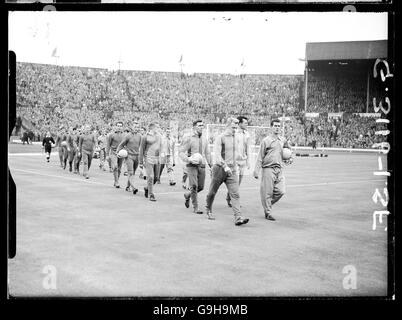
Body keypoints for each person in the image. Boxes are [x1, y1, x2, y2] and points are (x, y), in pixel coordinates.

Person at [205, 117, 249, 226]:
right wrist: (225, 166)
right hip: (220, 169)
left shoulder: (236, 138)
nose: (235, 128)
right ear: (228, 125)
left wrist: (240, 161)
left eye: (236, 126)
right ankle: (208, 209)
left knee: (235, 194)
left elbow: (235, 154)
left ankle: (238, 217)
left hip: (232, 170)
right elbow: (218, 155)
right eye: (233, 126)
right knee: (212, 192)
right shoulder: (221, 138)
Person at [253, 118, 293, 221]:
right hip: (268, 169)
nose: (277, 128)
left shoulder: (283, 140)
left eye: (278, 126)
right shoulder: (266, 141)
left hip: (279, 169)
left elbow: (289, 151)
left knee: (281, 191)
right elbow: (260, 156)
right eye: (275, 126)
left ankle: (267, 205)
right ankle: (268, 212)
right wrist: (256, 170)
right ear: (271, 127)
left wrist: (290, 158)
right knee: (267, 192)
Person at [179, 120, 212, 214]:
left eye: (202, 125)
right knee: (194, 186)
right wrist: (188, 159)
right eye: (199, 125)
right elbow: (180, 152)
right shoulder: (188, 138)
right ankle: (195, 207)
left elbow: (208, 153)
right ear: (194, 127)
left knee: (201, 187)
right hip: (191, 165)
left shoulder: (205, 139)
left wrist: (211, 165)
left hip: (202, 165)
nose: (202, 127)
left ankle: (187, 195)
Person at [226, 116, 251, 207]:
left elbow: (248, 148)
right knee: (235, 182)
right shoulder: (234, 132)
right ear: (239, 124)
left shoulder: (247, 134)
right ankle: (234, 201)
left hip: (242, 162)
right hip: (234, 161)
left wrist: (248, 161)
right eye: (245, 123)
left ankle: (229, 198)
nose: (247, 124)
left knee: (238, 183)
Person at [139, 123, 164, 202]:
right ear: (152, 128)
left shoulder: (159, 136)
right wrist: (140, 161)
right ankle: (151, 194)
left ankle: (147, 188)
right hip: (148, 158)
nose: (158, 128)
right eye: (157, 127)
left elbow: (161, 146)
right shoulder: (145, 137)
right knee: (150, 176)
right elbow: (141, 149)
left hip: (157, 159)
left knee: (156, 178)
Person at [116, 121, 142, 195]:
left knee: (133, 173)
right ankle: (134, 188)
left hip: (136, 156)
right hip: (129, 156)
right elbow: (121, 145)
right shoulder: (128, 136)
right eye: (135, 127)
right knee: (130, 172)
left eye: (137, 127)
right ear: (132, 127)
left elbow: (141, 147)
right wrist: (118, 152)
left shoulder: (140, 136)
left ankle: (128, 186)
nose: (136, 128)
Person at [106, 121, 124, 188]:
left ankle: (116, 180)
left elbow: (126, 145)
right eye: (118, 126)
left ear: (122, 127)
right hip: (113, 153)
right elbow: (108, 145)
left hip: (121, 153)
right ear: (116, 127)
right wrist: (107, 155)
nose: (119, 127)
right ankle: (116, 182)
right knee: (115, 166)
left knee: (119, 169)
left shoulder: (124, 135)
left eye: (120, 126)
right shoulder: (111, 135)